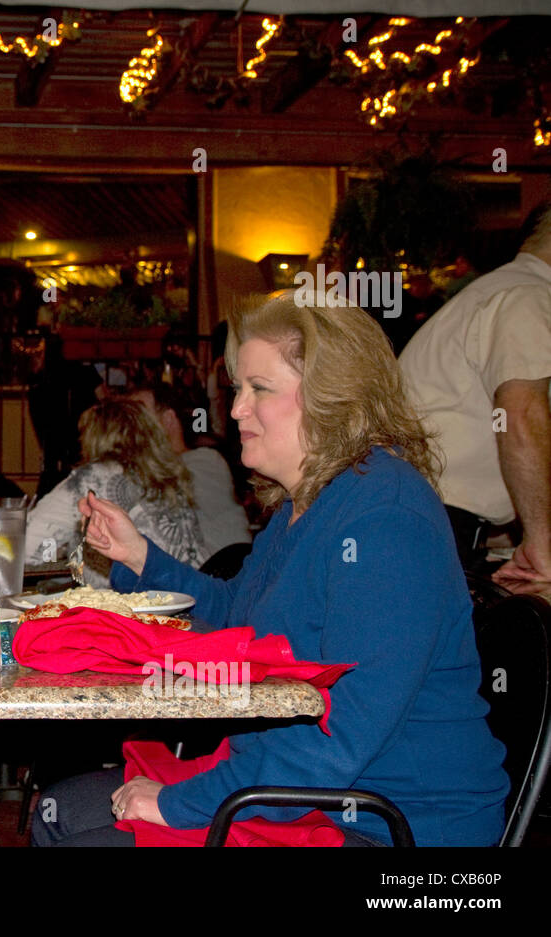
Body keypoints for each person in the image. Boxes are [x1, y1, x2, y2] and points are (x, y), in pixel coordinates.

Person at [33, 293, 507, 847]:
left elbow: (344, 734)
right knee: (57, 810)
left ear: (335, 398)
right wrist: (139, 557)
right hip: (305, 791)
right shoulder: (305, 505)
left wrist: (186, 804)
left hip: (390, 825)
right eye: (239, 388)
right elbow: (236, 618)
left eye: (260, 389)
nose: (235, 409)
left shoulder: (386, 518)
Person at [400, 200, 551, 581]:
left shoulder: (504, 289)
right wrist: (542, 543)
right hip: (432, 521)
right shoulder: (527, 296)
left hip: (419, 516)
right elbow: (520, 416)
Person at [25, 398, 204, 583]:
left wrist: (61, 549)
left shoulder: (92, 479)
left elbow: (25, 547)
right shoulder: (169, 476)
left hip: (129, 604)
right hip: (191, 591)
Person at [125, 383, 250, 561]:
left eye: (139, 414)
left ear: (168, 419)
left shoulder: (205, 460)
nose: (130, 425)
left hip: (219, 575)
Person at [23, 331, 103, 496]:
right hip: (80, 444)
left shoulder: (41, 383)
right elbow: (103, 397)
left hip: (54, 452)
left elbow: (38, 421)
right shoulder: (84, 372)